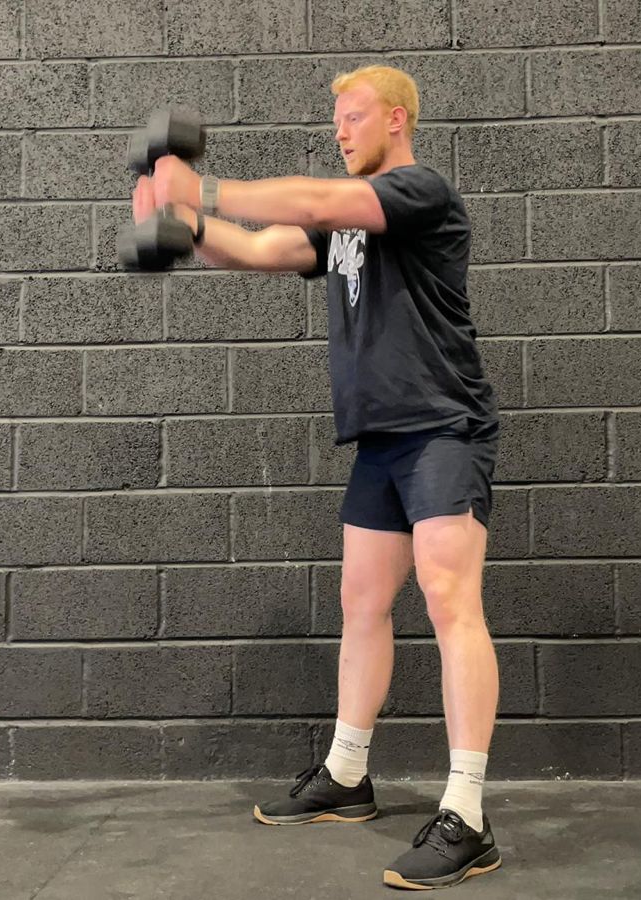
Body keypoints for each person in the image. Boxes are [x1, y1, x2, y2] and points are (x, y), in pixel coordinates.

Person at [136, 64, 503, 890]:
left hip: (445, 429)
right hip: (380, 442)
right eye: (334, 119)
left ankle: (470, 813)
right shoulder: (345, 222)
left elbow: (310, 203)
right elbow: (263, 247)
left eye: (354, 116)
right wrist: (182, 222)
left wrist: (208, 183)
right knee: (362, 603)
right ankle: (348, 772)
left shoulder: (417, 191)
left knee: (451, 600)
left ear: (397, 121)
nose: (340, 130)